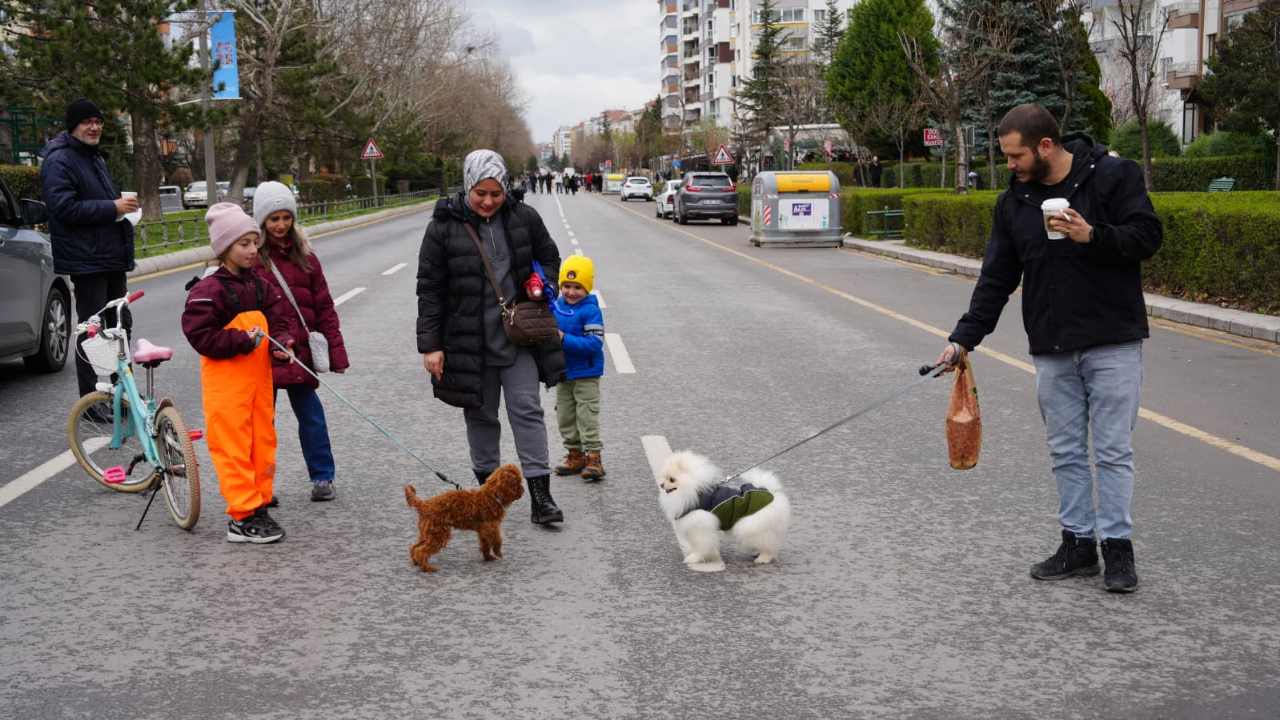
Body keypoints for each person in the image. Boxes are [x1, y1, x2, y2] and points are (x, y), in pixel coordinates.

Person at [935, 103, 1162, 593]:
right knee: (1065, 451)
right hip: (1052, 345)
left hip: (1112, 340)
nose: (1010, 165)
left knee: (1112, 450)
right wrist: (963, 338)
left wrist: (1092, 235)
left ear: (1045, 145)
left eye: (1015, 156)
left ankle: (1118, 549)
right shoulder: (1014, 201)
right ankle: (1078, 545)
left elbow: (1148, 237)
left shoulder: (1113, 176)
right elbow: (997, 277)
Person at [416, 149, 567, 524]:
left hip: (518, 338)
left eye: (495, 194)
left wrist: (542, 282)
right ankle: (488, 499)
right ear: (468, 186)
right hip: (468, 342)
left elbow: (550, 257)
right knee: (481, 418)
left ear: (505, 190)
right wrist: (431, 345)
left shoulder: (524, 218)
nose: (487, 201)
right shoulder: (442, 228)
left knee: (527, 412)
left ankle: (540, 498)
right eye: (480, 193)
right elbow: (430, 290)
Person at [182, 203, 295, 543]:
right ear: (224, 248)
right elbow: (200, 335)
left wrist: (284, 343)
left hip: (259, 383)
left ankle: (259, 500)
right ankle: (242, 516)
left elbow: (279, 318)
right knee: (232, 446)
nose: (252, 250)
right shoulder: (208, 290)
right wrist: (242, 340)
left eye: (253, 242)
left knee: (263, 441)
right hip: (227, 386)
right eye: (243, 244)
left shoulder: (260, 284)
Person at [252, 181, 349, 503]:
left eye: (286, 217)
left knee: (312, 418)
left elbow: (324, 308)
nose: (281, 225)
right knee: (261, 425)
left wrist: (337, 353)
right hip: (264, 355)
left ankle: (323, 477)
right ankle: (260, 486)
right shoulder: (252, 261)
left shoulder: (307, 258)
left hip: (301, 354)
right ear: (262, 222)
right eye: (273, 219)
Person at [39, 98, 139, 400]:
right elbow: (63, 208)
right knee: (93, 332)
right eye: (87, 122)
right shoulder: (59, 160)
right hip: (87, 260)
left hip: (109, 256)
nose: (94, 127)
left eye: (98, 121)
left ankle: (119, 393)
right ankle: (92, 399)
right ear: (73, 126)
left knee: (119, 327)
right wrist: (112, 207)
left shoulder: (93, 157)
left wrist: (124, 211)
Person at [551, 255, 606, 481]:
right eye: (566, 286)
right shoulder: (555, 307)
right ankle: (574, 455)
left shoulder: (591, 311)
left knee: (587, 416)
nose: (571, 292)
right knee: (565, 416)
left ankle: (593, 457)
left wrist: (564, 339)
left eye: (577, 287)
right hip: (563, 373)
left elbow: (595, 344)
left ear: (587, 288)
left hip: (587, 374)